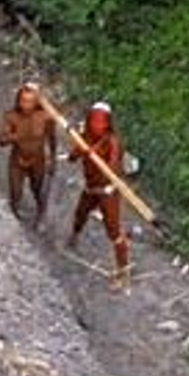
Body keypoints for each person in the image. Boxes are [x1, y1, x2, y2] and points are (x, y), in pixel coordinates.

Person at [66, 101, 131, 288]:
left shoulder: (112, 142)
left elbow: (112, 170)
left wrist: (92, 153)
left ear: (108, 123)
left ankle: (123, 272)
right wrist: (79, 146)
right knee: (80, 213)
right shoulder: (85, 137)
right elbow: (72, 158)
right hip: (90, 188)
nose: (97, 125)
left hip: (107, 192)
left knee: (114, 231)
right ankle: (74, 236)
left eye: (101, 122)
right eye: (93, 120)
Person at [0, 81, 57, 226]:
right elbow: (1, 140)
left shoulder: (45, 118)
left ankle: (40, 213)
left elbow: (52, 139)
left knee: (37, 189)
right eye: (23, 101)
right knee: (15, 192)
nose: (26, 105)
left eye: (30, 101)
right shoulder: (11, 116)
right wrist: (16, 135)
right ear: (18, 101)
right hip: (17, 160)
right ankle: (13, 218)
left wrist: (53, 159)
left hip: (38, 161)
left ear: (36, 102)